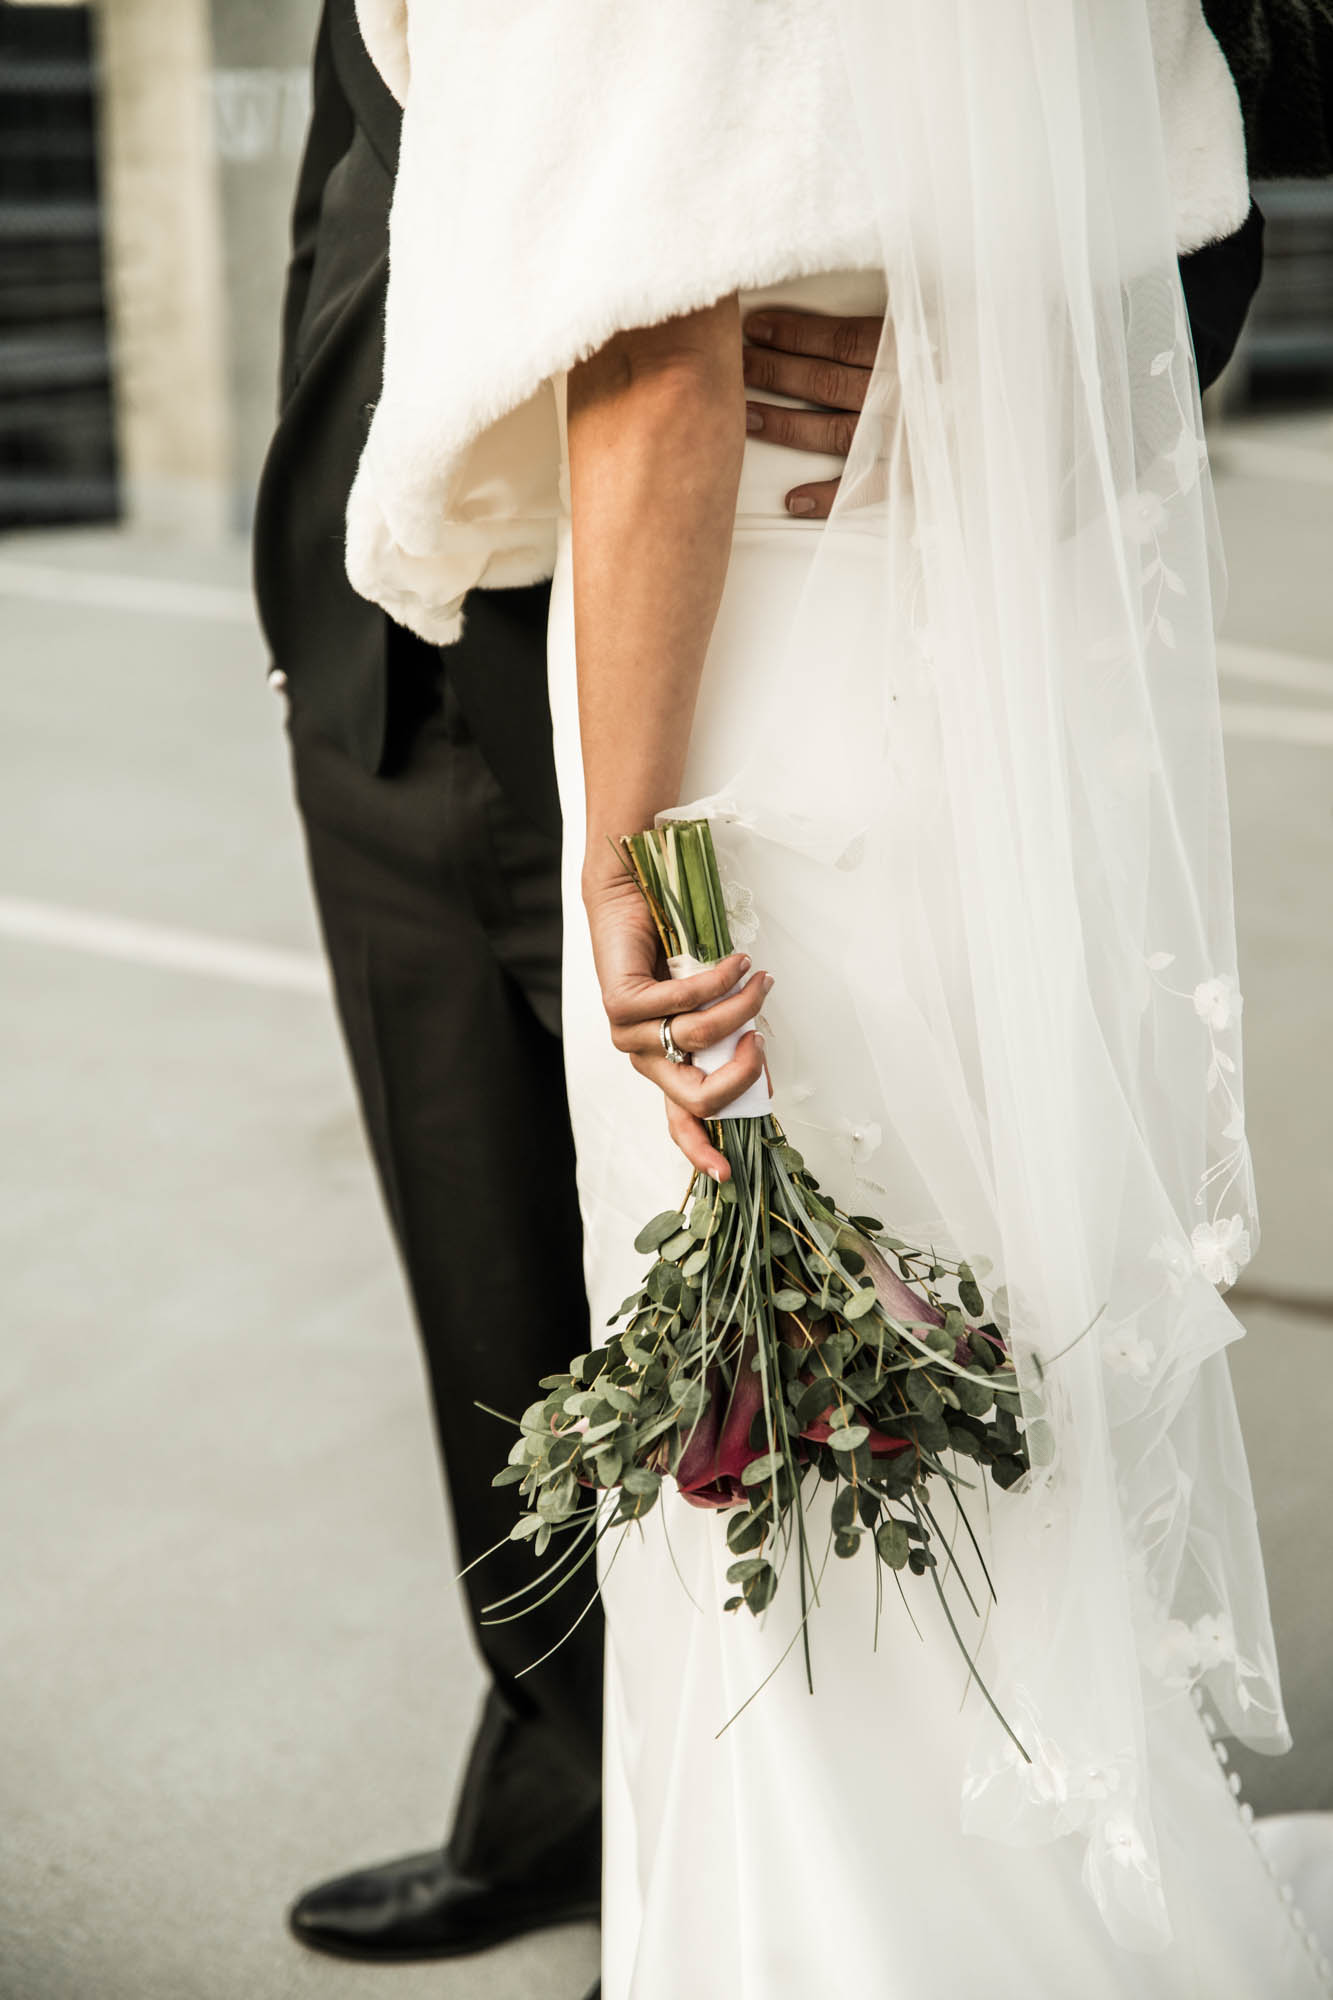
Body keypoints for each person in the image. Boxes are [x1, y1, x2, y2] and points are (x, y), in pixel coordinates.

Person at [338, 0, 1333, 1994]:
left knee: (775, 1323)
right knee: (953, 1291)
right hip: (951, 609)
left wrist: (621, 842)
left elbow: (654, 346)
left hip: (741, 659)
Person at [251, 3, 904, 1983]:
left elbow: (1210, 77)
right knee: (483, 1268)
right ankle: (557, 1780)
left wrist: (1000, 355)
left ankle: (767, 1851)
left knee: (734, 1257)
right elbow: (356, 183)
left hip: (699, 641)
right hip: (385, 640)